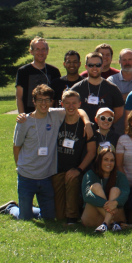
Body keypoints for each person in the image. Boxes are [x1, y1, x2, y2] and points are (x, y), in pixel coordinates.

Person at [9, 85, 61, 220]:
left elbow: (78, 111)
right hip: (27, 176)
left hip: (46, 176)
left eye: (47, 100)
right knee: (24, 218)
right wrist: (19, 166)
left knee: (49, 218)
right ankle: (12, 208)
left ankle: (28, 208)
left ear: (51, 101)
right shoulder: (24, 121)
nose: (43, 103)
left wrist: (87, 123)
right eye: (40, 100)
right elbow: (16, 146)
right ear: (34, 101)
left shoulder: (56, 115)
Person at [48, 90, 96, 224]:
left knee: (72, 180)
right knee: (59, 215)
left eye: (74, 103)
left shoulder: (86, 126)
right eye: (67, 103)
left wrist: (79, 169)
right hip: (56, 170)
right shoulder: (56, 120)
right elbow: (41, 110)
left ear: (79, 104)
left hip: (76, 169)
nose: (70, 106)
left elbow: (92, 151)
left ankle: (72, 218)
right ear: (61, 104)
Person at [81, 148, 129, 232]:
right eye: (106, 160)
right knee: (96, 187)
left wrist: (115, 202)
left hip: (116, 214)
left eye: (112, 160)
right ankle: (112, 223)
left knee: (115, 190)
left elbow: (125, 193)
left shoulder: (120, 176)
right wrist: (108, 205)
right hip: (94, 218)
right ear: (99, 161)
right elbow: (87, 195)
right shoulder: (90, 174)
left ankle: (105, 224)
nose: (109, 163)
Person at [71, 51, 124, 125]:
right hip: (82, 130)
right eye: (91, 65)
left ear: (102, 66)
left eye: (98, 65)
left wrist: (106, 124)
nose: (94, 68)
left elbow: (119, 112)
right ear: (86, 67)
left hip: (104, 132)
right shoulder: (76, 89)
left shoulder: (112, 88)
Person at [15, 37, 61, 114]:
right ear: (31, 51)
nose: (41, 52)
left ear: (47, 51)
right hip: (29, 116)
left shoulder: (54, 71)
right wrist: (22, 115)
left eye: (43, 49)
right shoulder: (23, 71)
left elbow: (56, 97)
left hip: (49, 117)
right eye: (37, 49)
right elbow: (19, 97)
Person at [107, 49, 132, 133]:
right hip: (117, 129)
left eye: (130, 60)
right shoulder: (112, 80)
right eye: (124, 60)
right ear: (119, 61)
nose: (127, 63)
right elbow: (111, 100)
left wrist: (122, 97)